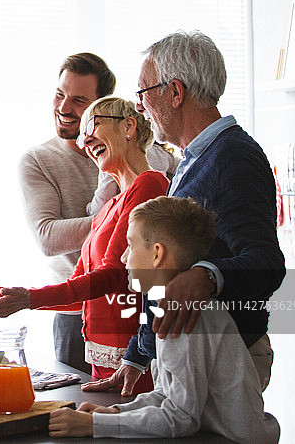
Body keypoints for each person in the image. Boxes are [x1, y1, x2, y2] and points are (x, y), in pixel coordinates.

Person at [83, 30, 285, 397]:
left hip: (226, 357)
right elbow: (165, 275)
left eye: (143, 93)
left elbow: (267, 263)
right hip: (196, 355)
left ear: (175, 92)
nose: (139, 107)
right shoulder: (193, 159)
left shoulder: (234, 157)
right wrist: (137, 357)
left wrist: (206, 277)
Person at [0, 97, 168, 394]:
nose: (86, 141)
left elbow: (112, 275)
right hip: (103, 362)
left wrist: (28, 299)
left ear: (129, 127)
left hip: (136, 362)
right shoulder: (108, 209)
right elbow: (81, 295)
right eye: (82, 136)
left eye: (92, 126)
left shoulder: (149, 184)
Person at [48, 196, 280, 443]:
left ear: (157, 254)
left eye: (130, 245)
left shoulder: (182, 316)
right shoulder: (172, 307)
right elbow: (165, 395)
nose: (124, 258)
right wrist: (115, 412)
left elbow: (180, 418)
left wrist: (93, 425)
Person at [19, 53, 178, 373]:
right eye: (60, 94)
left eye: (79, 101)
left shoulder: (146, 162)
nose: (64, 108)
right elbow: (48, 238)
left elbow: (175, 186)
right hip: (74, 308)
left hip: (131, 305)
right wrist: (117, 213)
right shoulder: (40, 160)